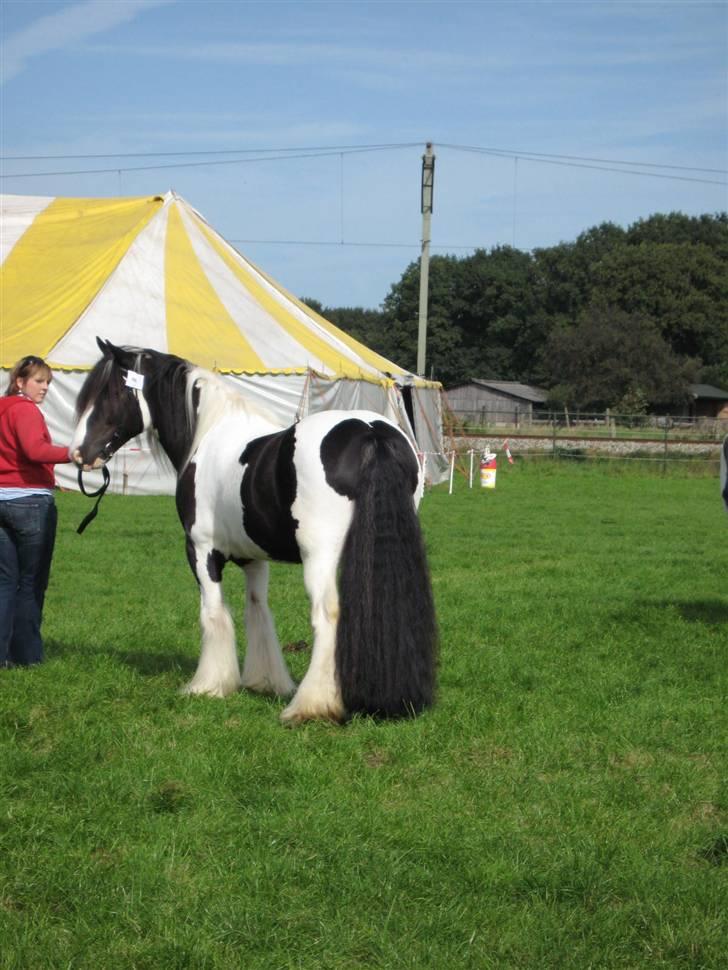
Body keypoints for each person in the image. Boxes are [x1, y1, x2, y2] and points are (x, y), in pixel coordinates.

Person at [0, 355, 71, 667]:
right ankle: (27, 656)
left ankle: (3, 656)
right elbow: (34, 450)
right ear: (20, 382)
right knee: (30, 583)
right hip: (29, 502)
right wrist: (75, 454)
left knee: (5, 582)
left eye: (48, 383)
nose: (45, 388)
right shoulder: (25, 410)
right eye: (39, 381)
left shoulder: (2, 409)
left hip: (2, 498)